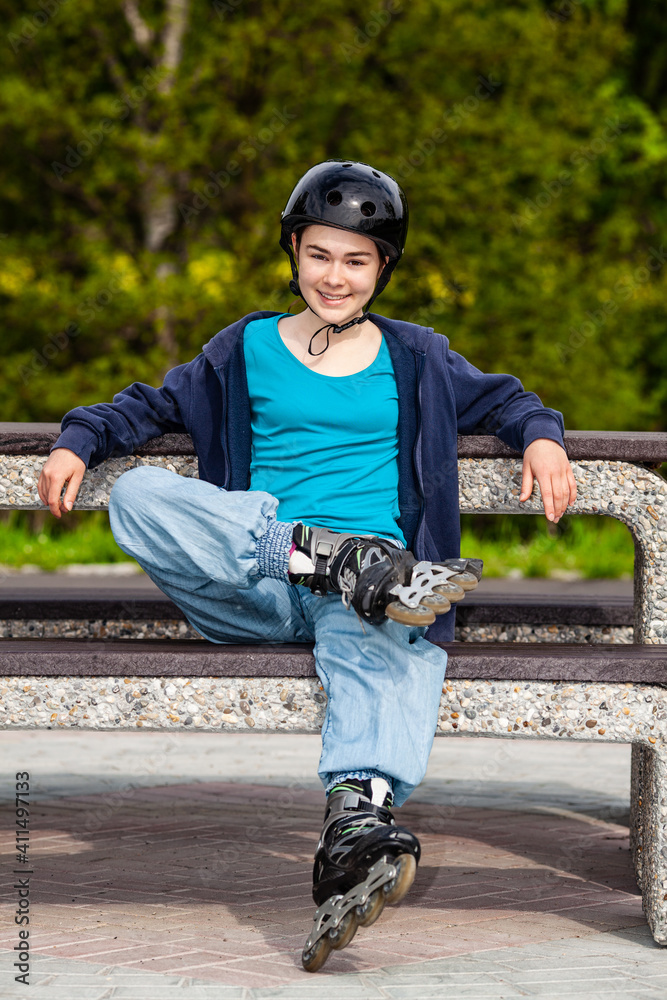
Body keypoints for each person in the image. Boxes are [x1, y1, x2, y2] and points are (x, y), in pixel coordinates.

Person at [38, 159, 577, 972]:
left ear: (382, 268)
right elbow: (146, 405)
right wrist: (80, 437)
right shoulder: (243, 347)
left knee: (388, 620)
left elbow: (506, 400)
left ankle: (355, 822)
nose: (335, 276)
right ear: (293, 250)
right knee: (140, 493)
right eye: (320, 254)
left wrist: (541, 437)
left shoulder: (419, 357)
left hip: (379, 583)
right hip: (254, 577)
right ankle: (318, 555)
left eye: (356, 260)